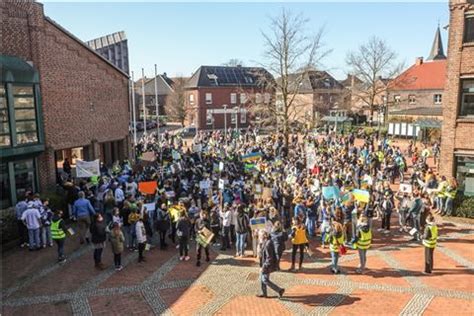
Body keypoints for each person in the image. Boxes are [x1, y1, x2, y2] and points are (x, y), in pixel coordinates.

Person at [257, 231, 285, 299]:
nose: (259, 237)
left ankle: (279, 290)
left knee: (264, 280)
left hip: (267, 265)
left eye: (260, 236)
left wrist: (264, 266)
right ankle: (264, 293)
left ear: (263, 236)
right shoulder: (265, 242)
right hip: (264, 264)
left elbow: (269, 258)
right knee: (262, 279)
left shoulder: (268, 244)